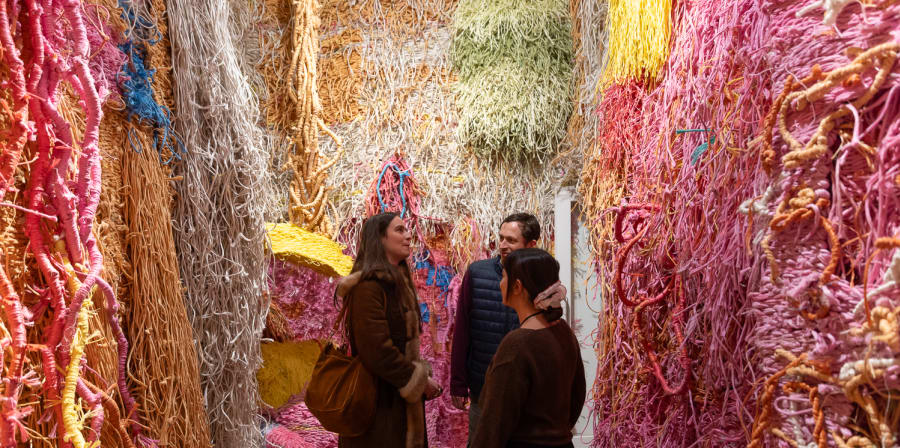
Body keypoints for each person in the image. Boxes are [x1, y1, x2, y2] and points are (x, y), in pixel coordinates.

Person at [335, 212, 442, 448]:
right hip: (377, 406)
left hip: (397, 403)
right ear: (380, 238)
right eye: (399, 230)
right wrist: (419, 381)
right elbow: (377, 351)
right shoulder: (368, 288)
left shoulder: (398, 285)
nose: (408, 236)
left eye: (407, 230)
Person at [472, 248, 586, 448]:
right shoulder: (563, 331)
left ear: (517, 286)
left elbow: (494, 423)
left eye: (504, 277)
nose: (500, 284)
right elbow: (578, 395)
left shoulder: (518, 344)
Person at [450, 213, 541, 444]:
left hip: (525, 393)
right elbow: (462, 331)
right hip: (484, 389)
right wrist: (458, 383)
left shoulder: (542, 279)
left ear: (530, 245)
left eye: (511, 240)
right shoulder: (477, 273)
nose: (502, 245)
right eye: (501, 238)